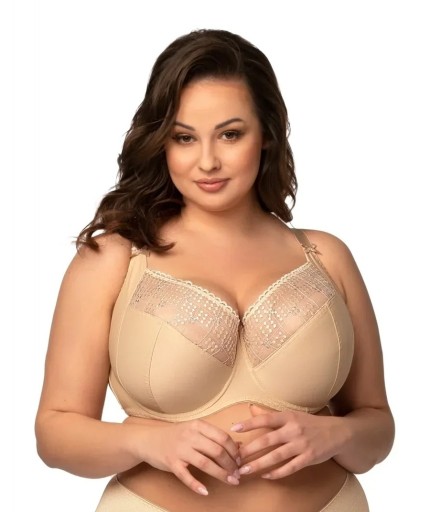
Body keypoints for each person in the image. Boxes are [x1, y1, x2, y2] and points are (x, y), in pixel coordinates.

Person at [35, 28, 395, 512]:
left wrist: (335, 434)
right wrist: (147, 442)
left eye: (230, 134)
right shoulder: (113, 260)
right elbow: (55, 433)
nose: (207, 161)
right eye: (184, 138)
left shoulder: (326, 256)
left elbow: (377, 426)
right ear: (161, 143)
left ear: (266, 135)